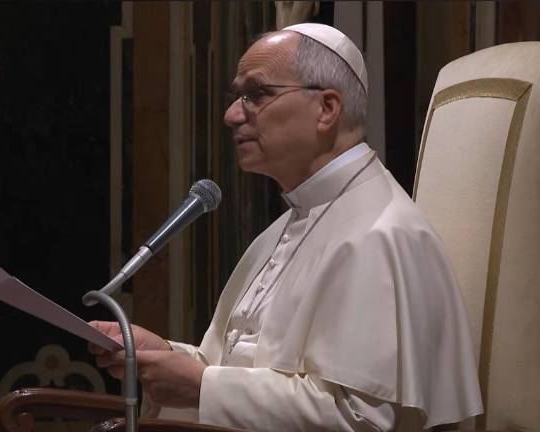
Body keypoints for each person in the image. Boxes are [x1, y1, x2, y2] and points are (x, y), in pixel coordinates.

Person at [89, 23, 483, 431]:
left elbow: (358, 419)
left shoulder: (381, 235)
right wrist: (168, 355)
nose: (231, 114)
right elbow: (246, 368)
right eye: (236, 96)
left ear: (326, 109)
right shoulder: (286, 226)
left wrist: (202, 387)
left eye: (256, 94)